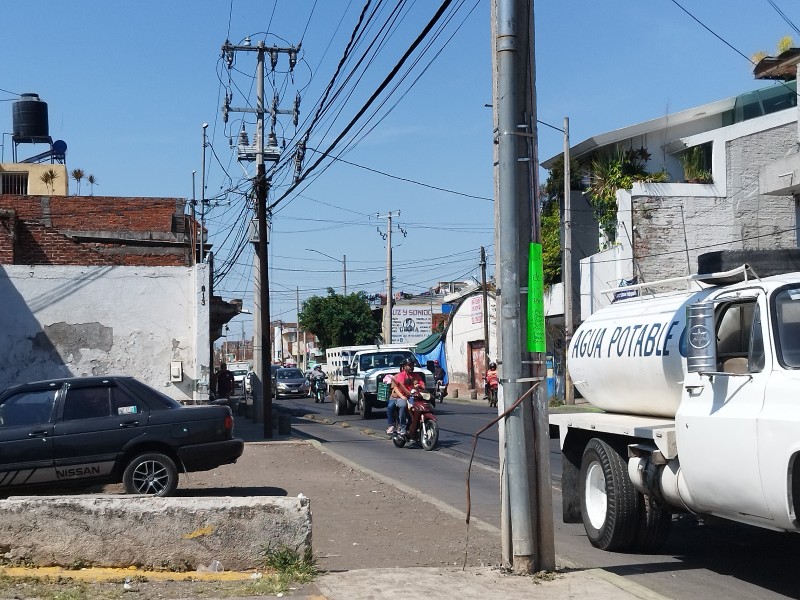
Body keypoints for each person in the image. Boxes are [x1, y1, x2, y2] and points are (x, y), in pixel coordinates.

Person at [392, 357, 425, 435]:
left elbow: (422, 384)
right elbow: (401, 386)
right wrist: (409, 393)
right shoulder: (401, 375)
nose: (411, 367)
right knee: (403, 405)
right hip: (403, 396)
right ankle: (402, 427)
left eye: (412, 365)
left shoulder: (416, 375)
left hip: (415, 396)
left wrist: (420, 386)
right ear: (404, 366)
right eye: (409, 365)